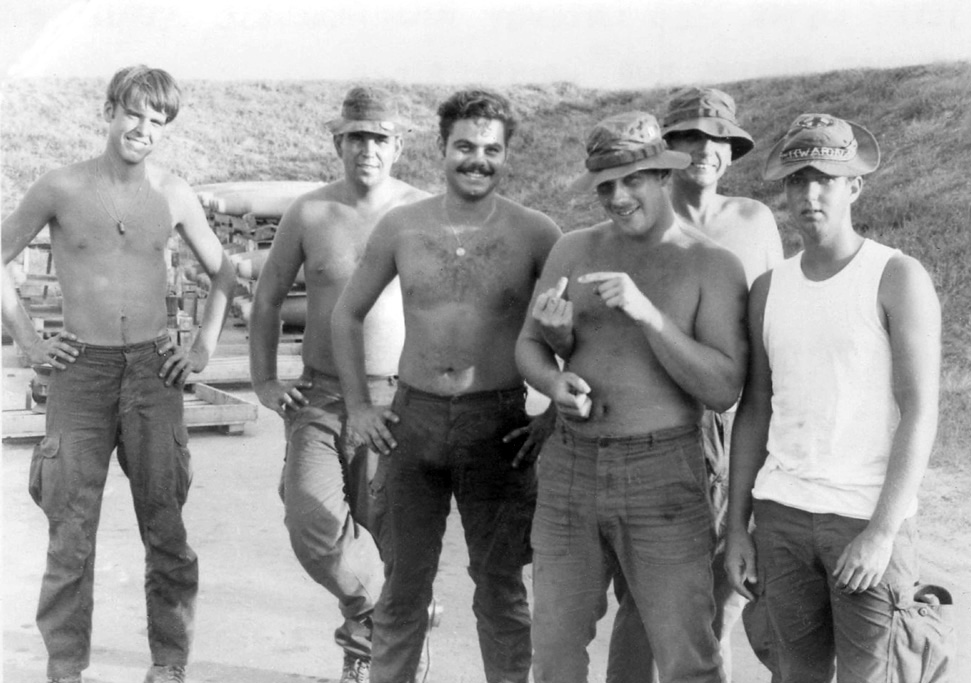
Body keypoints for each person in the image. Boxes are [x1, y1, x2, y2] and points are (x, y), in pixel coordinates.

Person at [0, 65, 236, 683]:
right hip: (81, 372)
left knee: (165, 526)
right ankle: (66, 669)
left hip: (154, 373)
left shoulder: (174, 192)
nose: (144, 129)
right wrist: (29, 340)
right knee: (69, 532)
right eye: (134, 113)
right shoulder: (60, 187)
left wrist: (204, 348)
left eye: (159, 121)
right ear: (109, 110)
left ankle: (169, 663)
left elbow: (225, 273)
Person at [331, 89, 561, 683]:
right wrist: (358, 405)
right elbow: (345, 313)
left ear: (507, 154)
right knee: (403, 587)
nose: (477, 160)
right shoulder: (403, 226)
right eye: (465, 146)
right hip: (415, 422)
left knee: (501, 587)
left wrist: (552, 418)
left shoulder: (535, 232)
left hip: (499, 425)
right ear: (442, 148)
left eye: (491, 148)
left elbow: (580, 327)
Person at [517, 111, 748, 683]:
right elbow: (526, 347)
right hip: (571, 468)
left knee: (685, 657)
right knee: (554, 655)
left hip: (663, 473)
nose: (617, 197)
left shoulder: (710, 264)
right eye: (605, 186)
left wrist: (647, 313)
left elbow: (722, 389)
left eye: (632, 180)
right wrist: (553, 377)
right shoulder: (573, 250)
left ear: (664, 175)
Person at [724, 113, 942, 682]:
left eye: (825, 177)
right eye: (797, 180)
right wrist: (737, 527)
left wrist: (882, 532)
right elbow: (756, 408)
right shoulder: (770, 289)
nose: (810, 193)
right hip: (782, 517)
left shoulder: (895, 275)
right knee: (794, 675)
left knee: (876, 674)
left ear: (854, 186)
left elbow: (920, 411)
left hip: (863, 519)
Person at [248, 85, 430, 683]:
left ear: (398, 145)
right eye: (356, 137)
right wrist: (264, 381)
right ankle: (398, 616)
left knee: (384, 532)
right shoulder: (310, 212)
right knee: (312, 517)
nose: (367, 149)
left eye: (379, 138)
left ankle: (369, 658)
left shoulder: (425, 212)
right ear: (338, 143)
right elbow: (269, 298)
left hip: (400, 397)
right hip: (322, 395)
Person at [606, 87, 782, 683]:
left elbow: (772, 328)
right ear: (667, 150)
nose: (704, 149)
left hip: (745, 423)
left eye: (717, 138)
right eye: (687, 137)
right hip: (666, 426)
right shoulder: (645, 219)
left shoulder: (754, 221)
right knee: (649, 594)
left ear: (731, 150)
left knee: (728, 585)